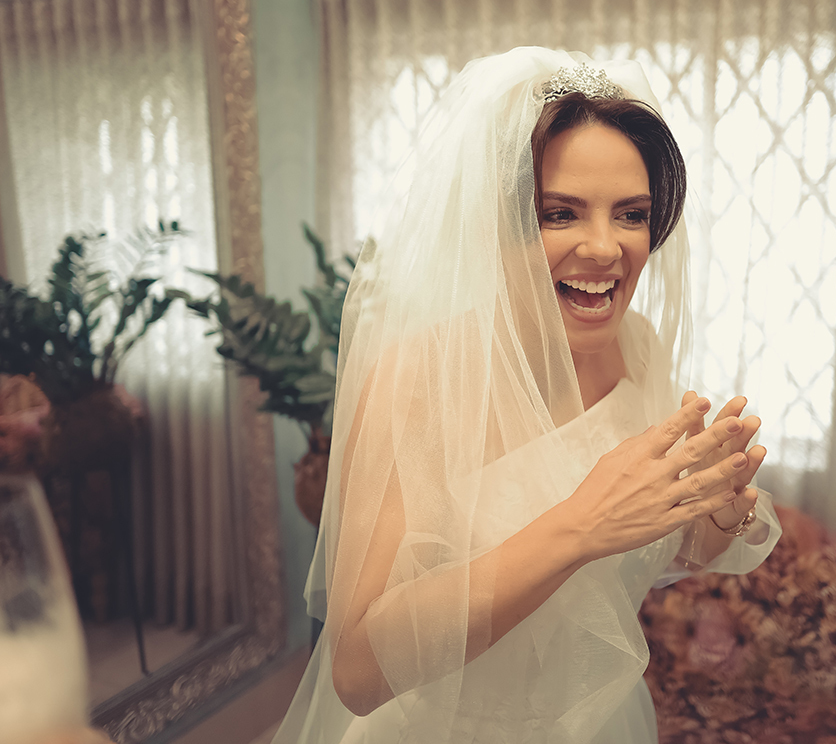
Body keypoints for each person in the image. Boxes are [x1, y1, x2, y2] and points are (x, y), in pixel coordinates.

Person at [274, 47, 781, 744]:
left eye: (631, 214)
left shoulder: (638, 347)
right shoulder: (419, 379)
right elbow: (358, 671)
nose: (605, 248)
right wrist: (579, 525)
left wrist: (713, 510)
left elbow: (662, 550)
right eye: (560, 214)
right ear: (499, 224)